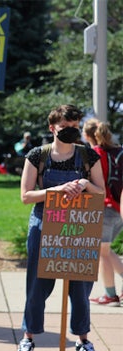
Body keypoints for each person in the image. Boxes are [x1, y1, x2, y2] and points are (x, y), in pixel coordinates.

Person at [18, 105, 104, 351]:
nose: (70, 131)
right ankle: (29, 336)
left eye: (75, 127)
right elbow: (25, 196)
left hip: (79, 227)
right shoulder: (38, 155)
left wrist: (86, 183)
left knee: (80, 285)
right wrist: (55, 190)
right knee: (36, 285)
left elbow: (101, 193)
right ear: (52, 127)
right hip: (44, 225)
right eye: (65, 126)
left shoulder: (88, 156)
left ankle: (82, 338)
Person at [82, 118, 123, 307]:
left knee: (102, 252)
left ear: (86, 135)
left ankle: (110, 295)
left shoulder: (93, 154)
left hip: (104, 207)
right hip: (119, 207)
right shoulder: (119, 151)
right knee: (106, 249)